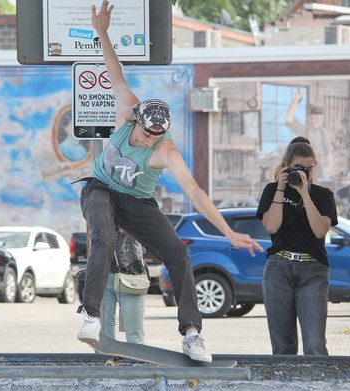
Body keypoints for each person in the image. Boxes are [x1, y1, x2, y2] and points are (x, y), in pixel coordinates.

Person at [76, 0, 263, 363]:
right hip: (100, 189)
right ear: (136, 122)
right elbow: (114, 71)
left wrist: (227, 231)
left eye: (156, 138)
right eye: (147, 136)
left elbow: (195, 192)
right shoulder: (126, 107)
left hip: (139, 203)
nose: (150, 142)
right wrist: (101, 31)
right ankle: (91, 314)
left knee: (178, 251)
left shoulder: (167, 150)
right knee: (104, 236)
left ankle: (192, 333)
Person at [256, 137, 338, 355]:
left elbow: (320, 231)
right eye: (299, 168)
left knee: (315, 346)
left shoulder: (323, 195)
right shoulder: (272, 190)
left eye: (309, 169)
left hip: (313, 271)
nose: (304, 173)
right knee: (283, 347)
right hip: (278, 269)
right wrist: (281, 189)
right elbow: (272, 227)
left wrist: (305, 193)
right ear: (286, 166)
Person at [100, 228, 147, 344]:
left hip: (131, 271)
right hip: (103, 271)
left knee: (135, 336)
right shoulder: (96, 210)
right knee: (103, 337)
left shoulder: (136, 209)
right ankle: (104, 361)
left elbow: (125, 228)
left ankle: (136, 361)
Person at [286, 89, 331, 180]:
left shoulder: (324, 132)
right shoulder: (304, 129)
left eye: (319, 118)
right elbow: (289, 119)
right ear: (309, 118)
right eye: (313, 118)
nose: (316, 120)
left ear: (322, 119)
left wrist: (328, 170)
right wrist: (296, 100)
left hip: (320, 168)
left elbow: (328, 153)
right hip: (304, 166)